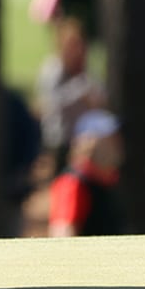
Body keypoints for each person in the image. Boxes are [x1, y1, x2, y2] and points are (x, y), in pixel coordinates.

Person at [35, 16, 105, 176]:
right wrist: (79, 93)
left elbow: (100, 96)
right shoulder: (53, 70)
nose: (78, 50)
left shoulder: (84, 70)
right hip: (59, 143)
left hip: (83, 144)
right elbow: (51, 103)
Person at [48, 109, 124, 237]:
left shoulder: (107, 180)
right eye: (110, 138)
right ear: (89, 143)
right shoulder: (72, 183)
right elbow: (63, 234)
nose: (118, 143)